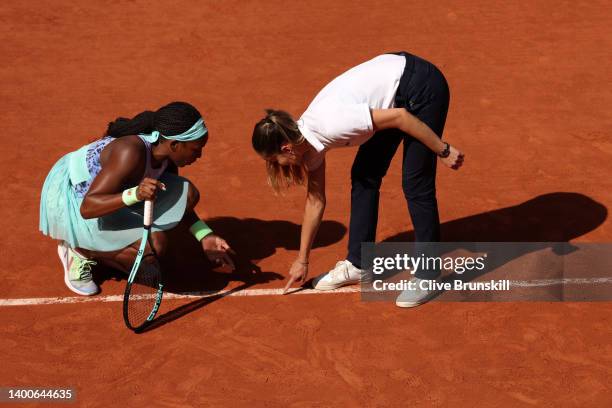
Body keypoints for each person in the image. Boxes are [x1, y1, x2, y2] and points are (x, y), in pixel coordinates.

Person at [252, 52, 464, 307]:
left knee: (416, 182)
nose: (275, 167)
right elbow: (315, 202)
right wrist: (302, 259)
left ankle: (428, 275)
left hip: (421, 87)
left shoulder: (333, 125)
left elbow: (400, 117)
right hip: (392, 94)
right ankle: (359, 264)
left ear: (287, 149)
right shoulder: (308, 145)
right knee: (364, 174)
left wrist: (443, 149)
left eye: (273, 161)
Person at [40, 101, 235, 296]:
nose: (200, 155)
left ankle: (109, 247)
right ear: (175, 145)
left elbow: (180, 205)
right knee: (154, 251)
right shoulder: (130, 152)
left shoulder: (166, 157)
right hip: (75, 199)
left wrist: (204, 235)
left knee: (187, 194)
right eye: (196, 148)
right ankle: (79, 249)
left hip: (113, 195)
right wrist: (135, 194)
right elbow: (88, 207)